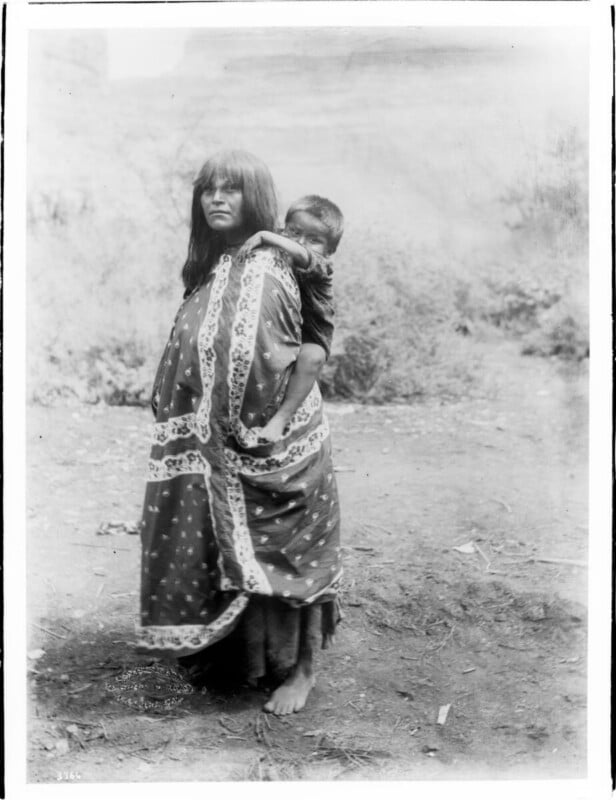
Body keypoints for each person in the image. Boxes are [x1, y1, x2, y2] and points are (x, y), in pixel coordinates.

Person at [138, 151, 342, 716]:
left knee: (290, 548)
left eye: (231, 189)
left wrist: (274, 243)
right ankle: (238, 661)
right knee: (219, 541)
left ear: (256, 199)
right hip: (217, 441)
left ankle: (299, 672)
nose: (217, 198)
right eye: (208, 189)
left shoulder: (284, 257)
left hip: (281, 439)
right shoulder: (211, 266)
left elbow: (299, 328)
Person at [238, 195, 344, 444]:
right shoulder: (278, 247)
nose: (302, 242)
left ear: (329, 251)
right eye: (294, 232)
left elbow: (303, 253)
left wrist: (267, 236)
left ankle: (282, 418)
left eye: (314, 240)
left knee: (312, 357)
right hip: (278, 326)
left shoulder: (321, 265)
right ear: (284, 228)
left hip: (311, 332)